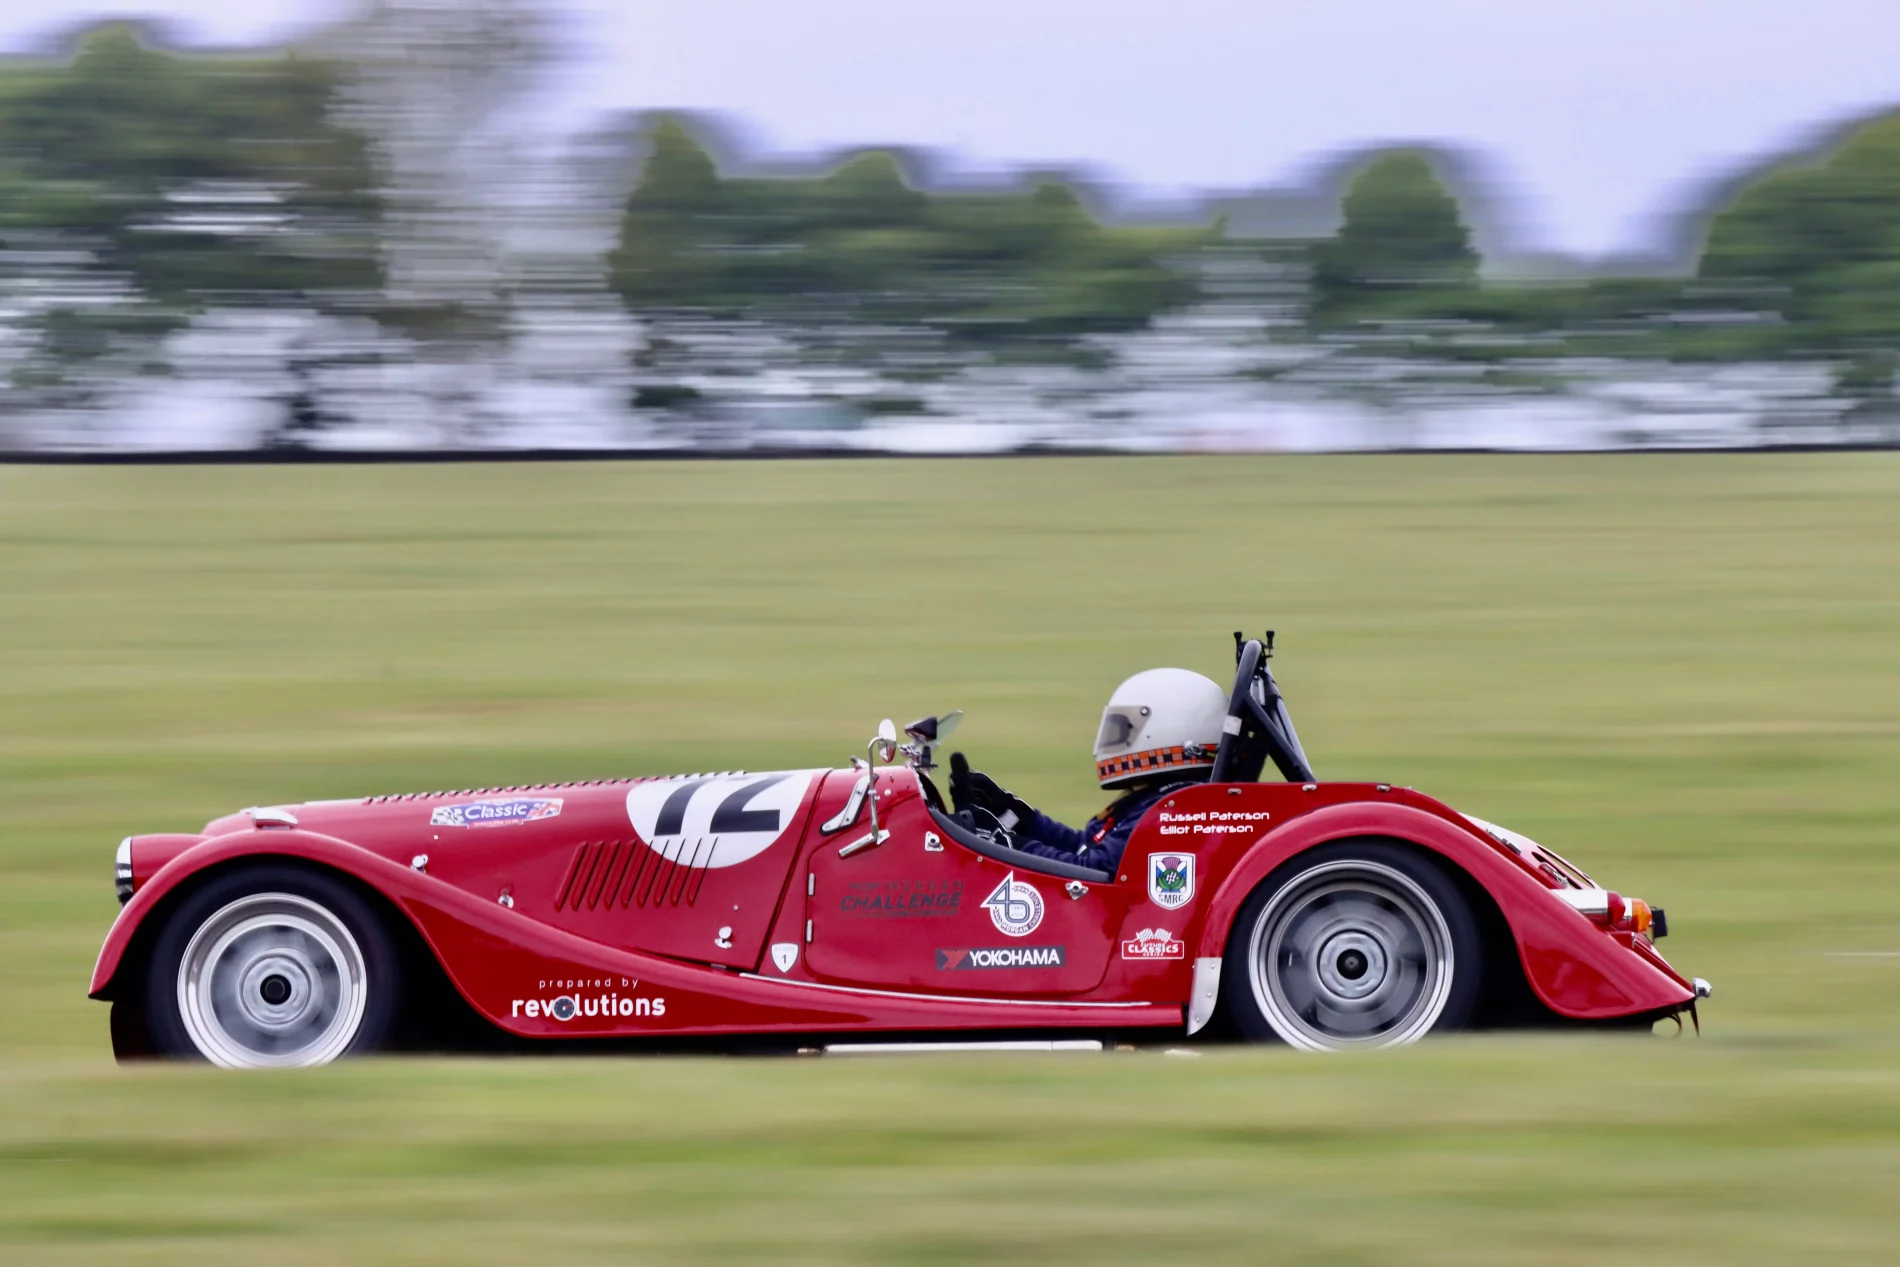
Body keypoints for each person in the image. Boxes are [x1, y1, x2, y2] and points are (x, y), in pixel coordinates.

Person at [948, 667, 1228, 873]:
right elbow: (1085, 846)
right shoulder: (1154, 799)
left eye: (1124, 730)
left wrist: (1005, 844)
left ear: (1169, 732)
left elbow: (1091, 872)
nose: (1113, 742)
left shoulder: (1171, 812)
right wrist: (1015, 816)